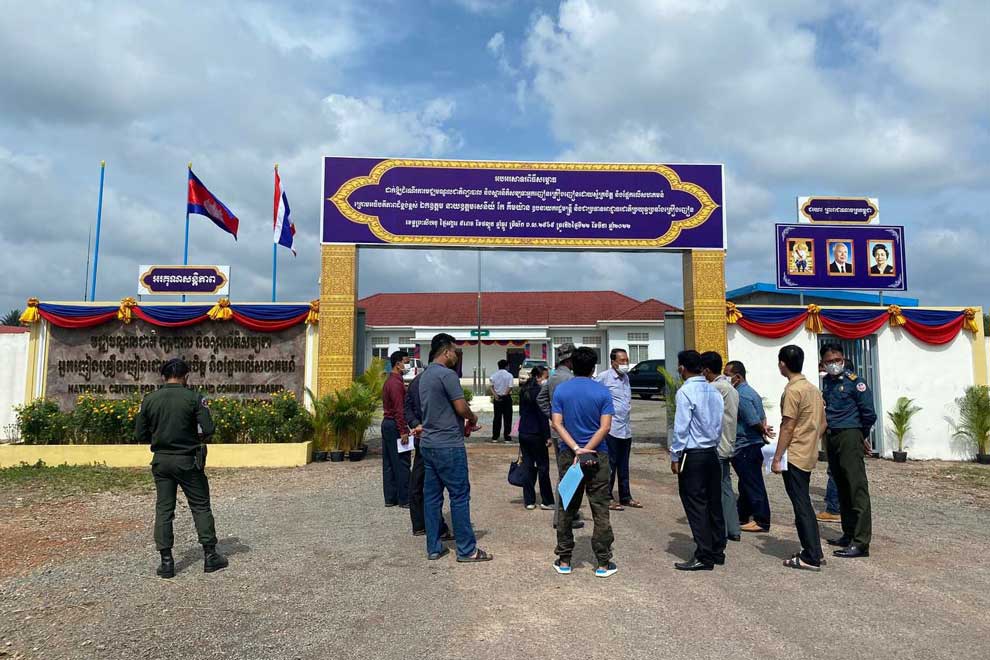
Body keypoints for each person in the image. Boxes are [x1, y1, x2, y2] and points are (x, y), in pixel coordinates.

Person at [135, 358, 227, 578]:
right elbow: (209, 428)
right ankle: (210, 556)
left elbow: (140, 434)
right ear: (186, 376)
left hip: (161, 460)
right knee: (200, 506)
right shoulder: (194, 398)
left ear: (164, 376)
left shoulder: (149, 400)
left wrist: (159, 437)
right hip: (188, 460)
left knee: (164, 509)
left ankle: (166, 562)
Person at [419, 333, 492, 562]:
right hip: (448, 445)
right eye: (454, 351)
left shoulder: (424, 376)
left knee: (432, 498)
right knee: (459, 496)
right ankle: (467, 550)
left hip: (428, 443)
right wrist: (472, 417)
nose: (456, 356)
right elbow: (460, 407)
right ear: (445, 352)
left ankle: (434, 547)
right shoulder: (447, 375)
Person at [551, 346, 617, 577]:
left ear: (572, 365)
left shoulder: (562, 390)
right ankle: (603, 563)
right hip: (598, 455)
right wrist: (588, 449)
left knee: (567, 507)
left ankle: (564, 560)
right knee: (600, 508)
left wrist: (577, 449)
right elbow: (605, 427)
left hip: (569, 455)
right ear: (593, 368)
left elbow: (557, 424)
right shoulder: (602, 392)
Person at [772, 345, 827, 571]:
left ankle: (811, 555)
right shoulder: (813, 389)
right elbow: (823, 423)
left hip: (794, 454)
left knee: (801, 504)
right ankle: (814, 550)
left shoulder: (793, 391)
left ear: (782, 364)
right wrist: (811, 439)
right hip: (807, 451)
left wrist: (777, 457)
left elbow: (787, 426)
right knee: (803, 501)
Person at [670, 350, 725, 571]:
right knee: (713, 503)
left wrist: (675, 455)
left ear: (682, 367)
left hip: (693, 454)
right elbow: (719, 424)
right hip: (711, 452)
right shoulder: (714, 391)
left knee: (696, 504)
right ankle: (717, 549)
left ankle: (704, 554)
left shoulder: (685, 391)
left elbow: (681, 428)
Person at [821, 343, 876, 558]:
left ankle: (861, 542)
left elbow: (868, 413)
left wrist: (860, 436)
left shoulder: (856, 382)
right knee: (841, 486)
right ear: (823, 363)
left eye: (837, 360)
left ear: (843, 359)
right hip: (832, 435)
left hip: (850, 434)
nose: (834, 364)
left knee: (856, 487)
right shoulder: (827, 382)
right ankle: (849, 533)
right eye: (829, 361)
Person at [404, 351, 452, 540]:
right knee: (434, 487)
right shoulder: (439, 380)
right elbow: (408, 407)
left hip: (426, 438)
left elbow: (407, 408)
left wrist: (416, 424)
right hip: (435, 441)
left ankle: (422, 525)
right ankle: (435, 527)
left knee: (419, 482)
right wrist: (417, 424)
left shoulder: (419, 381)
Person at [724, 360, 774, 533]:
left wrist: (762, 431)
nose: (725, 378)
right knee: (746, 483)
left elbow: (753, 420)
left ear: (737, 377)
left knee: (753, 483)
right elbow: (762, 417)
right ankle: (742, 515)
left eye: (727, 375)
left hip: (746, 445)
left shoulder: (741, 396)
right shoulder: (750, 392)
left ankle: (762, 520)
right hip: (751, 445)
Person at [538, 342, 584, 530]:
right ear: (570, 360)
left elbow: (541, 399)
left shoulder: (553, 377)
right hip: (570, 433)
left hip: (557, 432)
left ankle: (567, 513)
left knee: (565, 472)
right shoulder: (570, 379)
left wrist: (552, 417)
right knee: (569, 475)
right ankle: (563, 517)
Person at [700, 351, 740, 542]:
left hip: (716, 445)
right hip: (729, 442)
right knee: (726, 487)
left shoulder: (713, 388)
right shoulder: (731, 388)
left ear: (707, 370)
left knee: (714, 490)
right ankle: (733, 528)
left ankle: (719, 529)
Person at [596, 348, 642, 510]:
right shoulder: (604, 377)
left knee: (624, 465)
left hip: (625, 429)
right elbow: (594, 396)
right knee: (610, 465)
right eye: (622, 360)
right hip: (611, 429)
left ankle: (625, 496)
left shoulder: (626, 378)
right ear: (613, 362)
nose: (625, 363)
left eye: (626, 360)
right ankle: (607, 497)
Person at [518, 366, 554, 510]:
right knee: (543, 467)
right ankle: (546, 500)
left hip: (524, 432)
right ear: (539, 377)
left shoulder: (523, 390)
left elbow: (521, 412)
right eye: (546, 377)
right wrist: (547, 436)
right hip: (537, 434)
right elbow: (542, 416)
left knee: (527, 466)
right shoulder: (540, 392)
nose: (547, 380)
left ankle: (529, 500)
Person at [381, 350, 412, 508]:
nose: (407, 366)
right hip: (394, 425)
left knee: (389, 462)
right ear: (398, 364)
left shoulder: (391, 381)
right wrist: (403, 431)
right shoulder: (396, 384)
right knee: (402, 462)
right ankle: (404, 498)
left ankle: (390, 497)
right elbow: (399, 410)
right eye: (406, 362)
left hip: (388, 424)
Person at [489, 359, 514, 443]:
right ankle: (507, 437)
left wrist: (495, 395)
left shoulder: (493, 375)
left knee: (497, 417)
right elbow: (510, 387)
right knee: (508, 418)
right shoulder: (509, 375)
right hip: (506, 398)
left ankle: (495, 437)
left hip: (497, 397)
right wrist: (505, 394)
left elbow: (491, 386)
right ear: (506, 366)